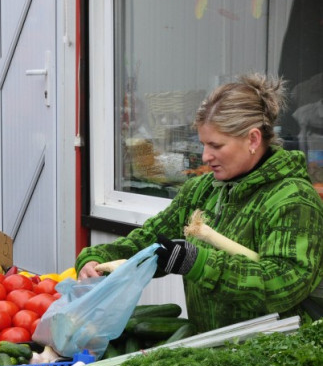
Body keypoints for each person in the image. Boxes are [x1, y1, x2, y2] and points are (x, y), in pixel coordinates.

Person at [76, 73, 323, 333]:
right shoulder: (202, 190)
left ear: (252, 139)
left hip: (271, 357)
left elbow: (283, 284)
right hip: (208, 350)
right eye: (203, 144)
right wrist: (98, 258)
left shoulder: (293, 199)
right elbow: (150, 240)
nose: (206, 156)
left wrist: (197, 263)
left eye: (216, 145)